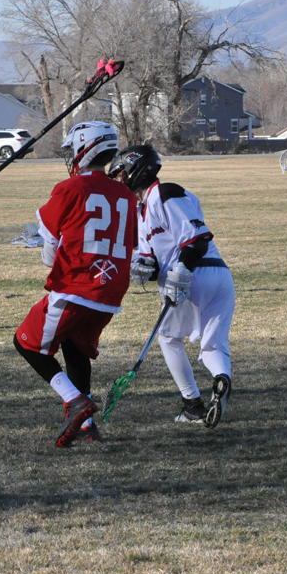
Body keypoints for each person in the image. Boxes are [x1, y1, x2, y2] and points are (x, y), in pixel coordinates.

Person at [12, 121, 138, 447]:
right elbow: (130, 244)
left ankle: (75, 401)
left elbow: (49, 251)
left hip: (78, 287)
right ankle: (87, 428)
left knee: (26, 343)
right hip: (111, 292)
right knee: (75, 346)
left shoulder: (70, 188)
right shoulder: (126, 194)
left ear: (85, 149)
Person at [109, 144, 235, 427]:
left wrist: (180, 270)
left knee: (168, 338)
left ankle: (193, 405)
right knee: (213, 345)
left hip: (192, 275)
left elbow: (197, 241)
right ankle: (222, 379)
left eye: (121, 173)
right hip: (220, 276)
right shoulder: (143, 208)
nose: (119, 180)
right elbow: (154, 258)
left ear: (135, 170)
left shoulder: (164, 193)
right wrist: (143, 266)